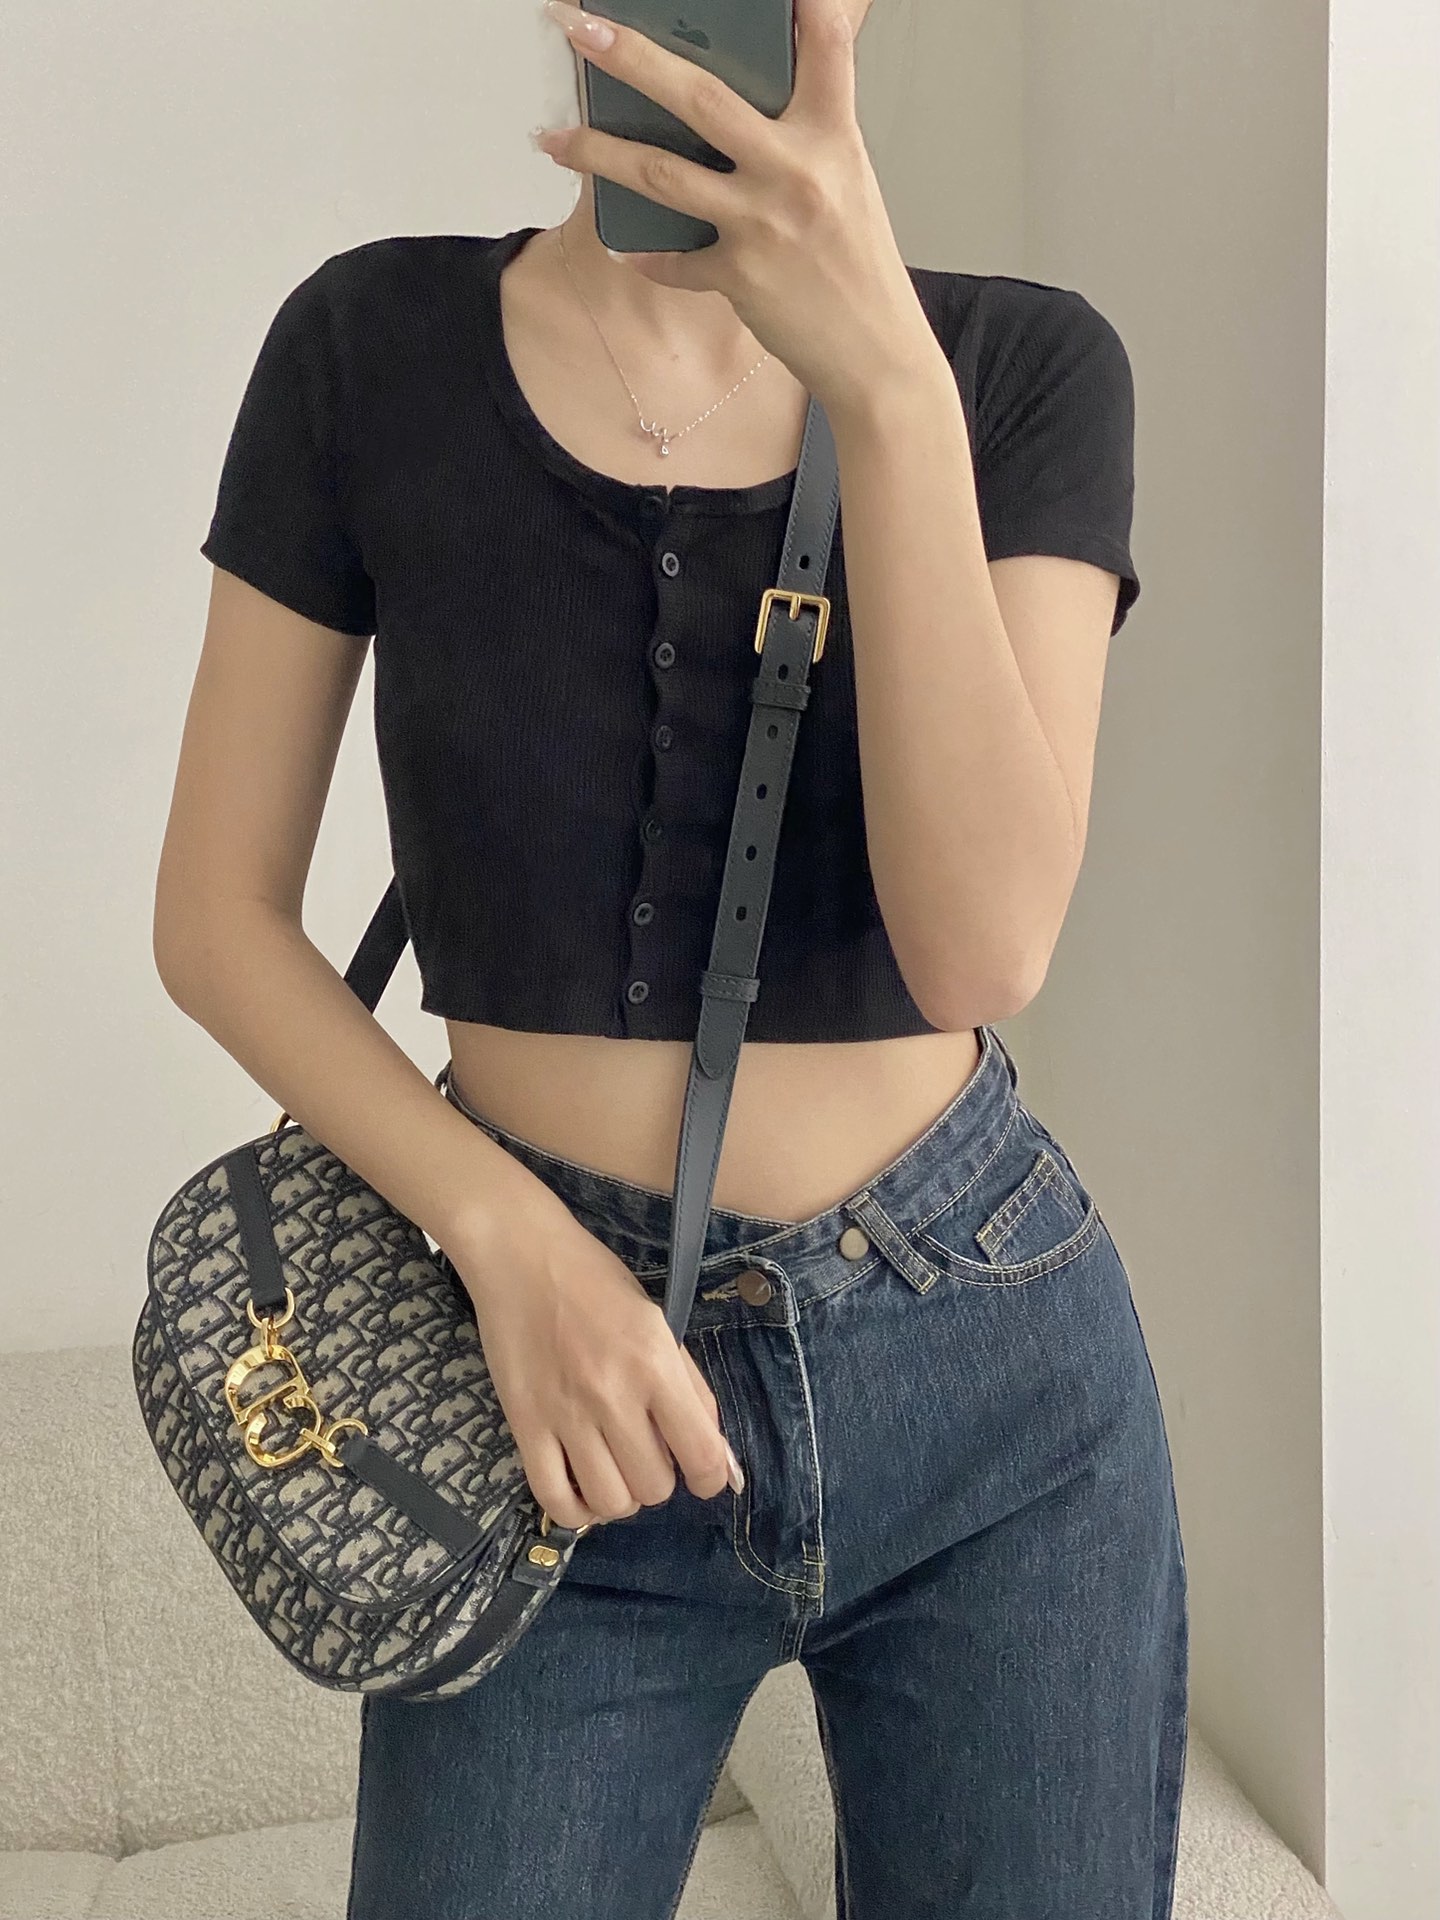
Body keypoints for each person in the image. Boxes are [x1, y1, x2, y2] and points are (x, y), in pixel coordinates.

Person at [152, 1, 1187, 1914]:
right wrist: (508, 1241)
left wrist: (884, 385)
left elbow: (983, 947)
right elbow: (216, 920)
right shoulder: (367, 346)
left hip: (992, 1381)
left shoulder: (1019, 366)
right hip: (552, 1395)